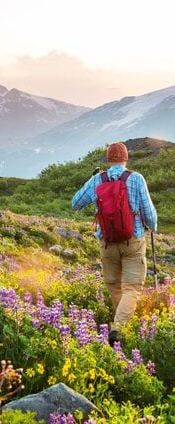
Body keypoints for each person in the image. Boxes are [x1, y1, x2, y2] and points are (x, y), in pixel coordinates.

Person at [71, 142, 157, 346]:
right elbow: (149, 213)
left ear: (108, 160)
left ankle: (120, 328)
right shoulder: (136, 178)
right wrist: (152, 226)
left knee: (113, 285)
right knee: (132, 288)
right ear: (126, 158)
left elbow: (75, 203)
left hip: (107, 242)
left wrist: (93, 181)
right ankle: (118, 328)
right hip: (133, 241)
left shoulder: (97, 179)